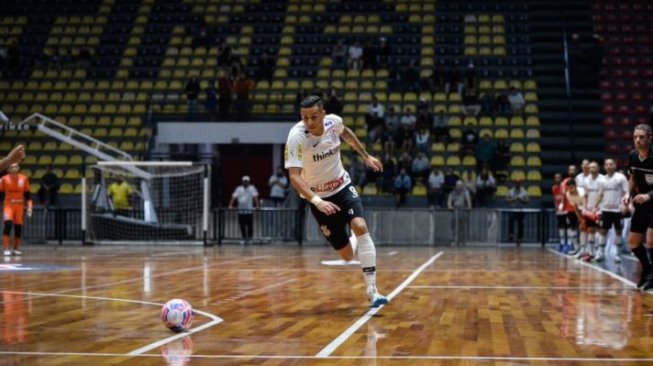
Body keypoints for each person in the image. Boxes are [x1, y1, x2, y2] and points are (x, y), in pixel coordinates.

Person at [284, 95, 388, 307]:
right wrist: (316, 201)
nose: (310, 122)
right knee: (348, 255)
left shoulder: (333, 122)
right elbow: (294, 176)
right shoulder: (296, 137)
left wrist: (366, 156)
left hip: (342, 187)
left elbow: (347, 134)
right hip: (318, 199)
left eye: (314, 117)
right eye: (305, 118)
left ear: (323, 114)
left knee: (360, 225)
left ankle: (372, 291)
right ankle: (351, 239)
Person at [623, 124, 653, 291]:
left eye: (641, 137)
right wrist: (628, 193)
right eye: (635, 137)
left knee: (650, 240)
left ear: (650, 138)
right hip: (641, 202)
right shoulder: (633, 155)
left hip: (651, 200)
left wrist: (649, 195)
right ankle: (647, 269)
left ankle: (652, 276)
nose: (638, 140)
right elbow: (632, 177)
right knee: (633, 242)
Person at [597, 158, 628, 263]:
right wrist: (595, 206)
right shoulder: (602, 179)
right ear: (604, 167)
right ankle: (601, 253)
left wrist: (625, 205)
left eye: (611, 164)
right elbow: (600, 194)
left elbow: (626, 193)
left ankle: (618, 255)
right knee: (603, 231)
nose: (609, 166)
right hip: (605, 210)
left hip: (618, 210)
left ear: (615, 165)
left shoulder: (621, 177)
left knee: (618, 232)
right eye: (607, 164)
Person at [0, 163, 32, 256]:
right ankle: (6, 248)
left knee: (18, 228)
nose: (14, 168)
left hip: (19, 206)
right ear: (9, 169)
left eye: (16, 166)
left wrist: (30, 207)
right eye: (12, 167)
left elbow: (28, 195)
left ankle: (16, 249)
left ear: (19, 168)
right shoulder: (4, 179)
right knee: (8, 225)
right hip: (8, 205)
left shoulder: (24, 179)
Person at [581, 161, 605, 261]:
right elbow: (585, 195)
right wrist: (584, 207)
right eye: (590, 168)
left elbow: (601, 195)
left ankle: (600, 253)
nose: (592, 169)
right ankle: (591, 253)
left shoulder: (603, 179)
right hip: (589, 209)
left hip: (600, 209)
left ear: (598, 168)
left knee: (601, 231)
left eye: (594, 167)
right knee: (590, 230)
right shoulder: (586, 180)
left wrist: (595, 207)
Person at [228, 175, 260, 242]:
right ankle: (244, 238)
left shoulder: (252, 188)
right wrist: (230, 205)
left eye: (247, 181)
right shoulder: (239, 188)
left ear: (249, 181)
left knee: (250, 225)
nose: (245, 182)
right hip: (241, 211)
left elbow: (255, 197)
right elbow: (234, 197)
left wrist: (257, 205)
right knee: (242, 225)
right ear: (242, 182)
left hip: (249, 211)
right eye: (244, 181)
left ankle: (250, 238)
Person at [447, 180, 472, 246]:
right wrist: (450, 206)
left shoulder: (465, 192)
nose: (459, 186)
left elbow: (468, 199)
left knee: (463, 227)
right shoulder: (453, 192)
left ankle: (463, 242)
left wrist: (469, 206)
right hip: (455, 210)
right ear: (456, 186)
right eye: (458, 185)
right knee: (454, 227)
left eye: (460, 185)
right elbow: (449, 200)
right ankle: (454, 241)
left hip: (462, 210)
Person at [506, 180, 529, 246]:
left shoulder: (524, 191)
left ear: (520, 184)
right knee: (511, 220)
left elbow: (527, 200)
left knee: (520, 224)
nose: (517, 184)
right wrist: (514, 199)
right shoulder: (511, 191)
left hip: (521, 210)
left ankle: (519, 238)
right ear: (514, 184)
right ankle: (511, 234)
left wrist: (521, 200)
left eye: (519, 183)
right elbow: (507, 199)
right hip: (513, 210)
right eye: (516, 183)